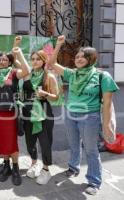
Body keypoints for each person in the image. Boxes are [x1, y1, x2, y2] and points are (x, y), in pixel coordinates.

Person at [48, 35, 119, 195]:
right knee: (73, 145)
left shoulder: (102, 76)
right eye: (77, 56)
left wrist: (107, 125)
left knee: (91, 149)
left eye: (83, 56)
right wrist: (59, 44)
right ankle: (73, 167)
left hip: (90, 117)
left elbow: (107, 104)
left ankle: (94, 180)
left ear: (91, 58)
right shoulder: (72, 74)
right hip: (71, 114)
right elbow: (51, 64)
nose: (79, 59)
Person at [0, 36, 29, 186]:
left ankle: (16, 167)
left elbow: (26, 70)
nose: (2, 61)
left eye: (5, 59)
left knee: (12, 141)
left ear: (9, 62)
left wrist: (18, 51)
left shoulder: (14, 74)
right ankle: (6, 165)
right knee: (1, 140)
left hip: (11, 114)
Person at [15, 48, 59, 185]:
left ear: (43, 61)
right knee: (30, 142)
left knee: (45, 143)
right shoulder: (26, 76)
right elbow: (16, 61)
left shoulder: (49, 77)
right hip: (28, 114)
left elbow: (56, 97)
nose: (35, 61)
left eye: (38, 59)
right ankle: (34, 164)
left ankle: (46, 170)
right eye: (32, 59)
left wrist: (45, 94)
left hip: (44, 114)